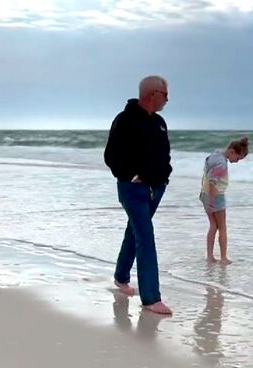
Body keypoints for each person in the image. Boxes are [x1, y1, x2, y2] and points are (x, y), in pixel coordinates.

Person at [104, 75, 173, 314]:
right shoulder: (125, 120)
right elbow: (111, 157)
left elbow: (165, 155)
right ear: (151, 94)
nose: (167, 99)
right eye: (165, 94)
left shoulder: (160, 122)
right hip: (133, 188)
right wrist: (133, 175)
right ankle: (151, 298)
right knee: (146, 237)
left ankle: (121, 277)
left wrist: (165, 175)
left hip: (157, 188)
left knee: (134, 233)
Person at [199, 137, 249, 265]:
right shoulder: (221, 164)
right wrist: (212, 201)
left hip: (204, 194)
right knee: (222, 227)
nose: (237, 161)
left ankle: (210, 257)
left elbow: (206, 177)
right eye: (238, 158)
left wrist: (207, 199)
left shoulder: (215, 154)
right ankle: (223, 258)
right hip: (215, 197)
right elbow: (212, 182)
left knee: (213, 226)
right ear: (232, 151)